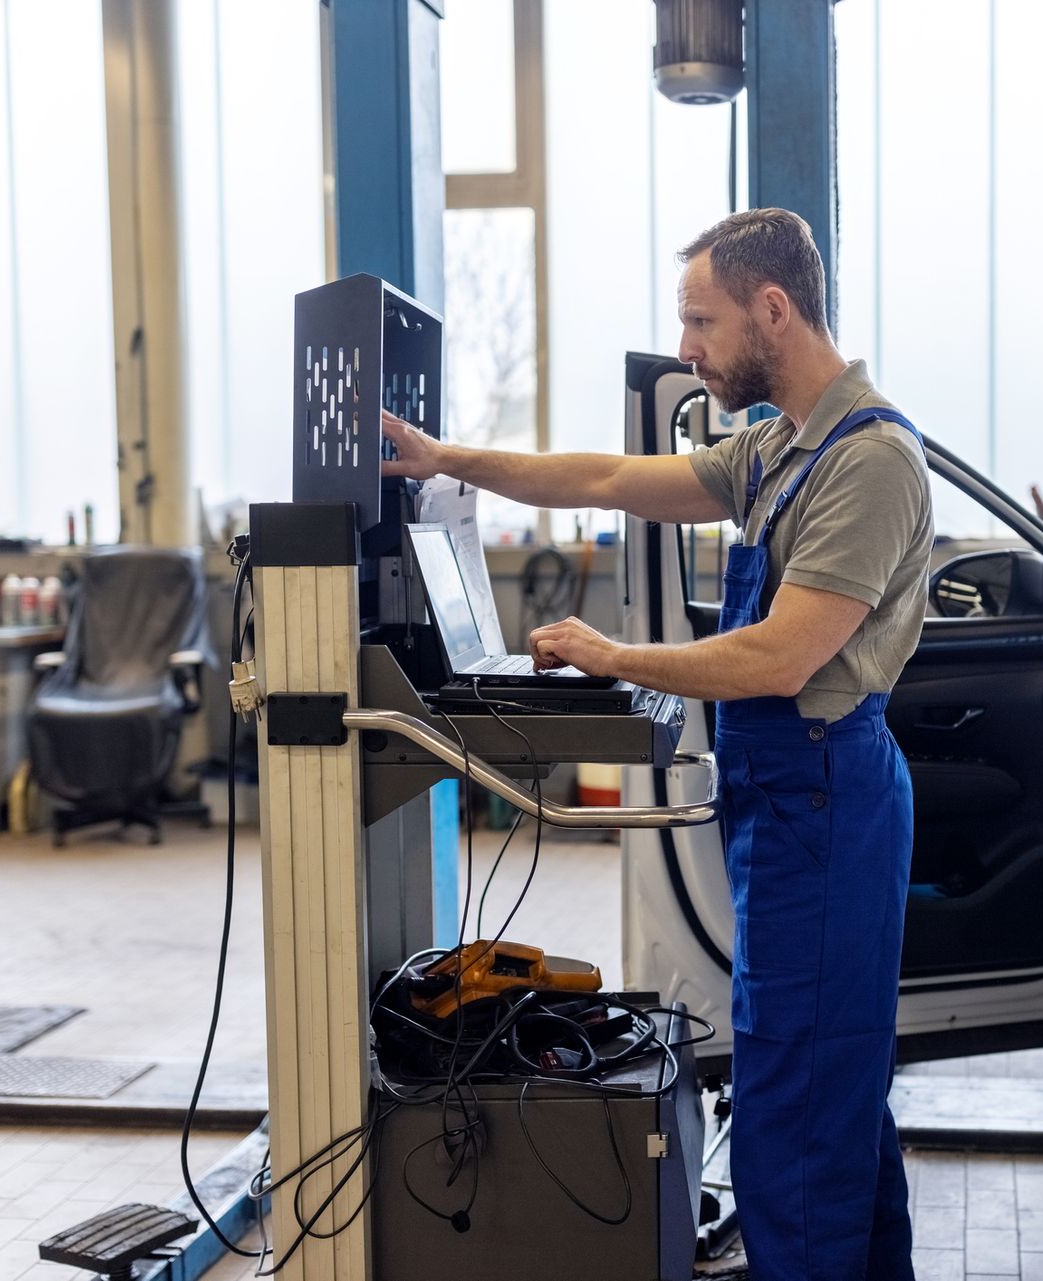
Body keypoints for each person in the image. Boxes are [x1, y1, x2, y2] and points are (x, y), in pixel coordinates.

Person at [381, 208, 931, 1281]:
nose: (687, 347)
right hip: (789, 803)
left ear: (775, 309)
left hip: (826, 800)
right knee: (835, 1100)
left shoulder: (866, 464)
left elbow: (781, 657)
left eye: (701, 320)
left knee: (794, 1119)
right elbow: (602, 479)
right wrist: (451, 460)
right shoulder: (780, 448)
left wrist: (609, 653)